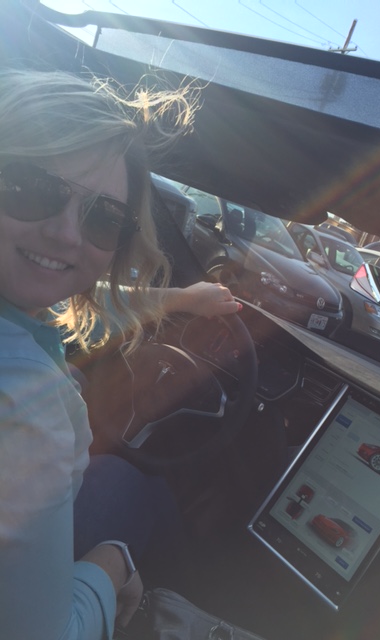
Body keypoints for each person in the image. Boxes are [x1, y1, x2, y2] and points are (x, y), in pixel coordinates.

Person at [0, 68, 241, 640]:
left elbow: (61, 293)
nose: (67, 234)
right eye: (31, 188)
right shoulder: (28, 410)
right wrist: (113, 567)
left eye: (104, 218)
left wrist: (182, 299)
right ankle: (199, 609)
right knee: (141, 491)